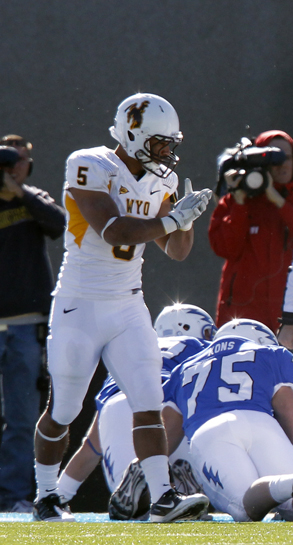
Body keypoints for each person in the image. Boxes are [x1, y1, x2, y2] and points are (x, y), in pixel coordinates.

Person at [32, 93, 212, 522]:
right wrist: (170, 220)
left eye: (171, 144)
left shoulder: (162, 180)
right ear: (133, 135)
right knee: (65, 409)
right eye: (159, 143)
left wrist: (184, 220)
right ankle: (45, 494)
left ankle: (163, 497)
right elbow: (112, 230)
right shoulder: (91, 164)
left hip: (128, 304)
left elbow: (177, 251)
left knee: (149, 399)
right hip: (80, 303)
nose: (167, 153)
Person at [55, 304, 215, 519]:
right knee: (202, 418)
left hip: (115, 406)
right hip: (164, 408)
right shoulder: (200, 347)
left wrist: (59, 495)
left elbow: (91, 448)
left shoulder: (136, 348)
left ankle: (138, 480)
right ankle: (177, 484)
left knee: (135, 515)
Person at [208, 130, 293, 414]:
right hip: (240, 322)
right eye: (271, 157)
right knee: (235, 403)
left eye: (286, 157)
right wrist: (242, 199)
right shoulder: (233, 203)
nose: (280, 165)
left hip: (289, 326)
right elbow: (223, 246)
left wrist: (276, 199)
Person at [162, 319, 293, 522]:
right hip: (262, 424)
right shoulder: (272, 354)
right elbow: (290, 415)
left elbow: (165, 438)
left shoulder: (183, 369)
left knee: (246, 508)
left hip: (209, 431)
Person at [0, 135, 66, 512]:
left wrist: (20, 193)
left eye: (21, 160)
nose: (14, 168)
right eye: (7, 162)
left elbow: (60, 224)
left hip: (26, 325)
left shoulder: (34, 200)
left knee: (23, 417)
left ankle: (12, 499)